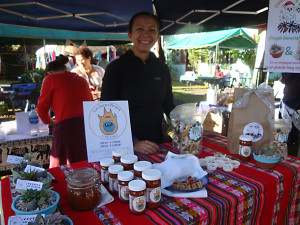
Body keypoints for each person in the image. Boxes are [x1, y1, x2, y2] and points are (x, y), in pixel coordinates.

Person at [100, 12, 175, 154]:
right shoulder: (116, 68)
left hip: (157, 143)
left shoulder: (161, 68)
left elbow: (168, 104)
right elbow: (107, 110)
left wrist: (190, 126)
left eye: (152, 30)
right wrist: (132, 142)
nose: (146, 34)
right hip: (124, 147)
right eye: (140, 29)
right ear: (130, 35)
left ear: (157, 36)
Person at [37, 55, 94, 168]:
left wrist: (50, 122)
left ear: (49, 72)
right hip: (87, 128)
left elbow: (42, 107)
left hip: (65, 128)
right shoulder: (81, 80)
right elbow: (91, 106)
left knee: (60, 167)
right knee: (84, 165)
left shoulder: (50, 79)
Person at [280, 73, 300, 151]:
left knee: (285, 131)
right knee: (294, 132)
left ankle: (286, 150)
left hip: (290, 101)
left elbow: (284, 79)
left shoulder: (291, 64)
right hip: (292, 102)